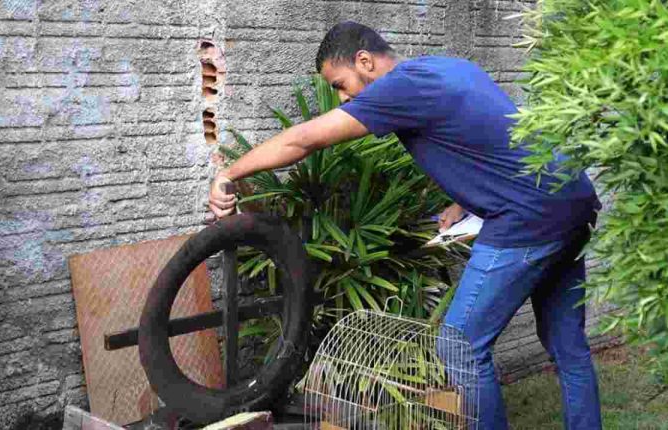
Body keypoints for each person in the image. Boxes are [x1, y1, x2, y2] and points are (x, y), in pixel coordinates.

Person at [207, 21, 602, 430]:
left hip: (530, 219)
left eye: (341, 85)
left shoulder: (397, 89)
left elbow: (303, 140)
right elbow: (494, 140)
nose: (343, 98)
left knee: (459, 345)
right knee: (567, 346)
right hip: (572, 202)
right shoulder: (447, 68)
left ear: (365, 61)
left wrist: (230, 173)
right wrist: (462, 200)